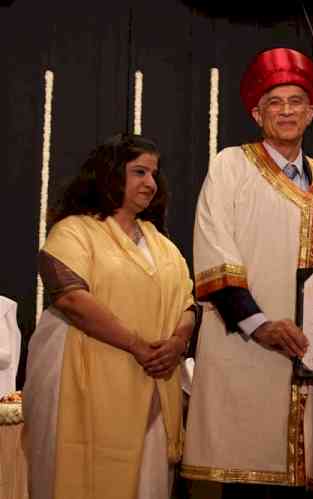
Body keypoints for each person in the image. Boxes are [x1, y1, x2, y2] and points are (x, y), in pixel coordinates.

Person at [182, 48, 313, 498]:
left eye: (296, 101)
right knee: (253, 482)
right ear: (257, 113)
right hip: (248, 354)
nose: (286, 111)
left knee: (309, 481)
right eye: (274, 102)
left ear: (312, 112)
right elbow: (214, 254)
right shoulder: (230, 167)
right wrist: (261, 326)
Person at [22, 133, 197, 499]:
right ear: (110, 174)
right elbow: (71, 298)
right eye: (139, 172)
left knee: (148, 483)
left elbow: (188, 303)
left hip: (152, 383)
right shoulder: (74, 231)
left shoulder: (162, 244)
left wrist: (178, 343)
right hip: (81, 379)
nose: (150, 183)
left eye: (153, 174)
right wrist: (137, 345)